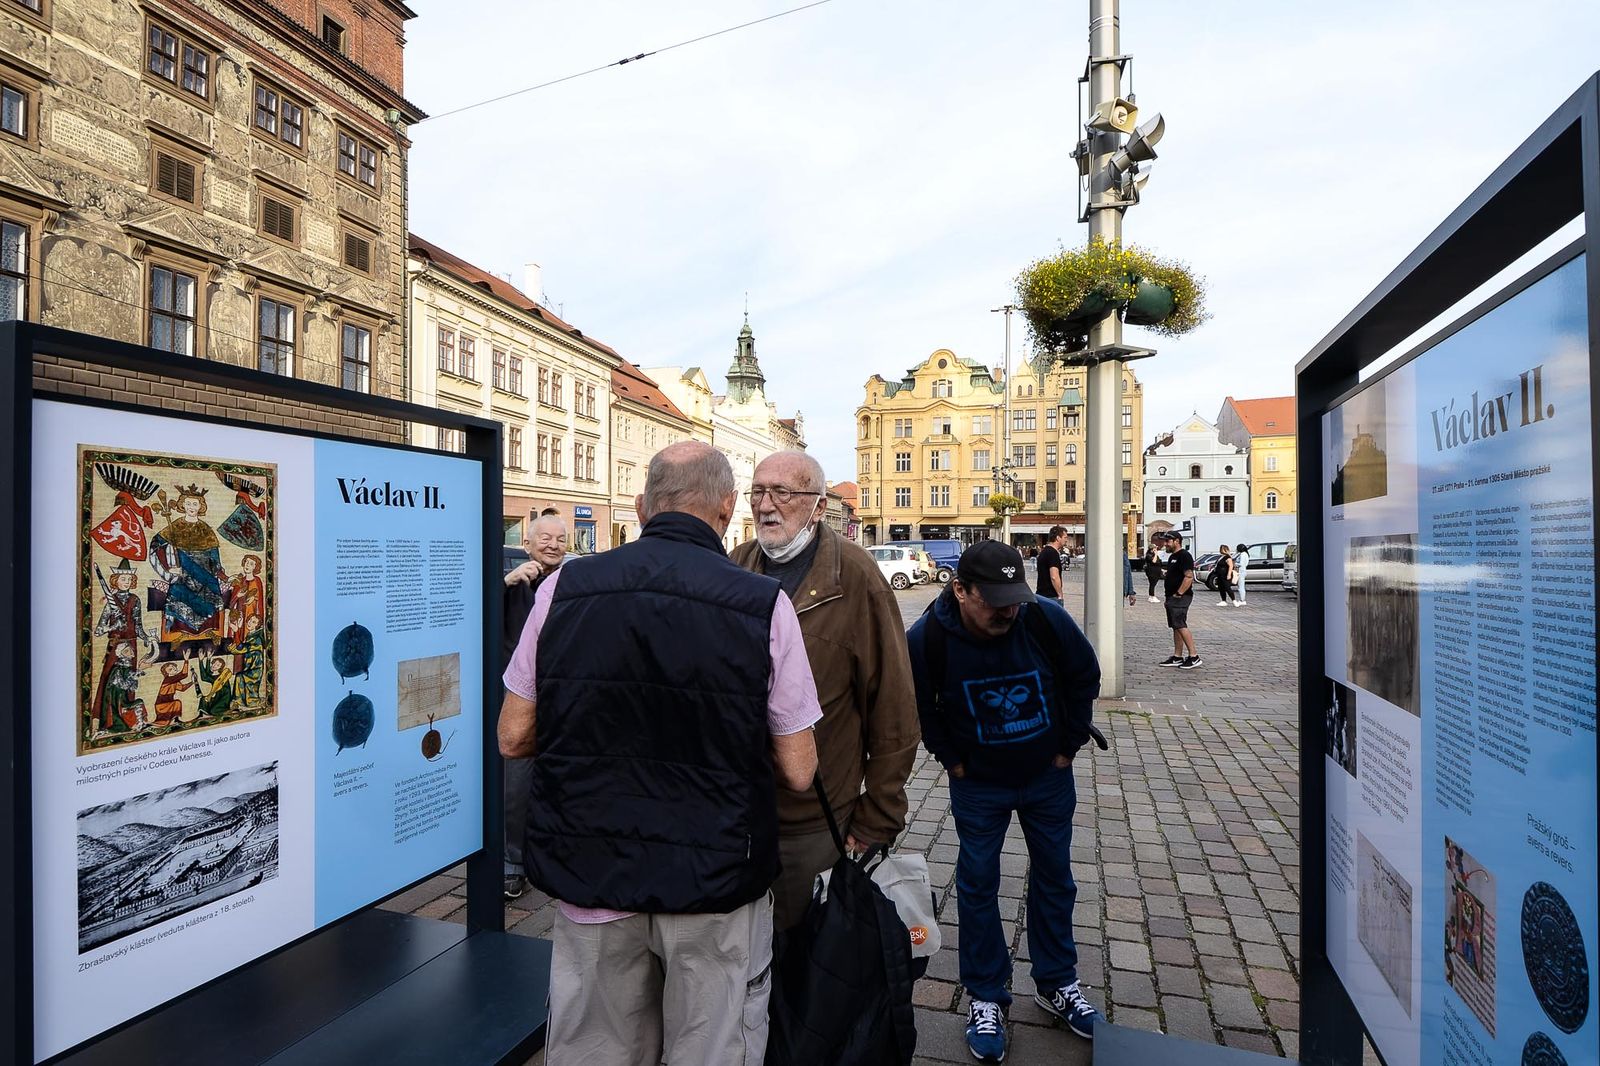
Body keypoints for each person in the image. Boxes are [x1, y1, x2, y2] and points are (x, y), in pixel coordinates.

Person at [499, 441, 821, 1065]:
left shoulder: (563, 588)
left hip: (592, 870)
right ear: (727, 508)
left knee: (594, 1050)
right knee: (710, 1046)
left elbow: (513, 736)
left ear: (643, 506)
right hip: (715, 878)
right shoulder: (764, 604)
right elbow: (800, 769)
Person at [907, 541, 1104, 1062]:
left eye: (1014, 598)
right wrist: (951, 759)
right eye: (994, 601)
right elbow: (919, 706)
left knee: (1056, 877)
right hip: (979, 786)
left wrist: (1068, 746)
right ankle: (986, 996)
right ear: (960, 591)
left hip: (1046, 778)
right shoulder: (927, 640)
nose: (1008, 611)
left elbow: (1084, 676)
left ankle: (1057, 982)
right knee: (976, 884)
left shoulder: (1044, 619)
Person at [731, 450, 920, 930]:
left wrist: (879, 814)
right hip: (736, 813)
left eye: (783, 493)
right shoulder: (735, 565)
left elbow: (894, 707)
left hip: (814, 820)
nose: (766, 505)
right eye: (758, 492)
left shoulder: (855, 576)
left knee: (808, 955)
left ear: (818, 507)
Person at [502, 512, 569, 899]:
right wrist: (505, 582)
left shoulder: (574, 581)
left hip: (565, 690)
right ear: (526, 544)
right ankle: (513, 862)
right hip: (522, 694)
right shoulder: (515, 582)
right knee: (517, 780)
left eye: (560, 539)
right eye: (545, 538)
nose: (553, 545)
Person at [1159, 533, 1202, 670]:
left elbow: (1188, 576)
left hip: (1180, 597)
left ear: (1177, 541)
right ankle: (1177, 656)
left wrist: (1179, 593)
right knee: (1176, 626)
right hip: (1171, 596)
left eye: (1168, 541)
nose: (1165, 544)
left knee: (1180, 624)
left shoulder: (1184, 556)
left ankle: (1194, 656)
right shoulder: (1173, 556)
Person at [1035, 525, 1067, 602]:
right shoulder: (1053, 553)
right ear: (1058, 538)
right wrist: (1060, 594)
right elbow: (1054, 576)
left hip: (1041, 594)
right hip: (1051, 596)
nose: (1066, 540)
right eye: (1065, 537)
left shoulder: (1044, 551)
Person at [1143, 538, 1165, 603]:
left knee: (1153, 584)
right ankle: (1152, 596)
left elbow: (1158, 563)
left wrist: (1161, 569)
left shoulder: (1154, 555)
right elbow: (1154, 561)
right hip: (1152, 572)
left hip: (1156, 571)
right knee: (1152, 584)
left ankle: (1151, 596)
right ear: (1152, 549)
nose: (1156, 549)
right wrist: (1156, 554)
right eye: (1155, 548)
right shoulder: (1149, 555)